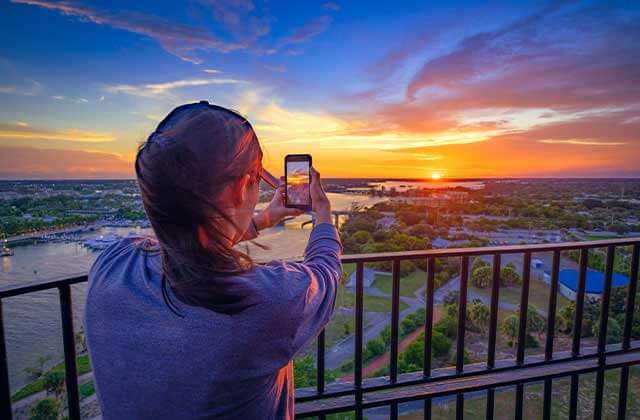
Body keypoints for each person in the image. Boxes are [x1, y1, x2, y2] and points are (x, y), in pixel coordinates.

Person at [84, 101, 342, 419]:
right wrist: (324, 214)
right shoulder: (264, 300)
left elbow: (189, 240)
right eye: (255, 179)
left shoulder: (112, 263)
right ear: (238, 190)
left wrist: (263, 219)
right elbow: (325, 273)